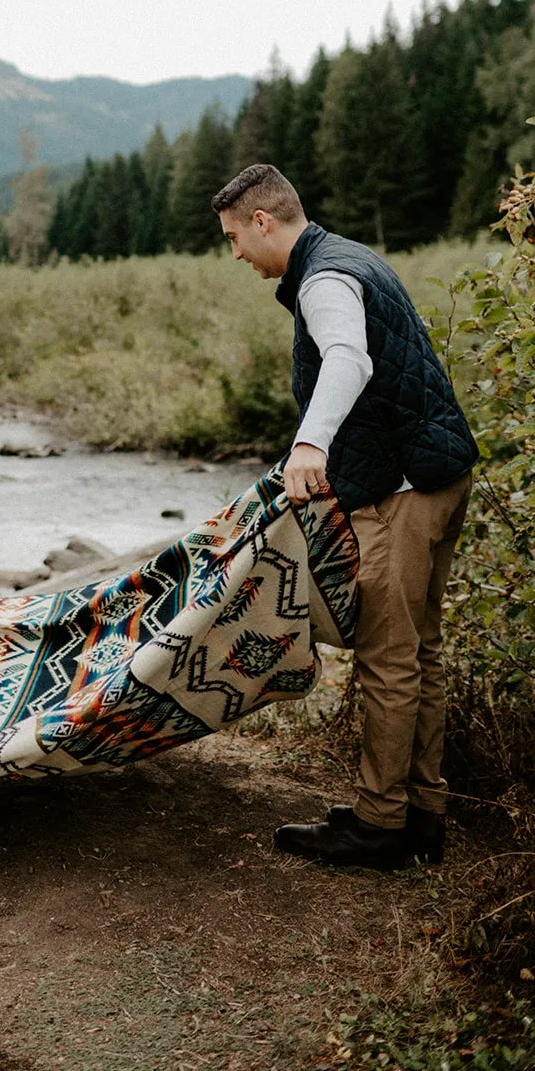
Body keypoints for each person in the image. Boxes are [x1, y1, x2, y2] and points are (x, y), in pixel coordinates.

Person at [211, 164, 477, 870]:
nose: (235, 253)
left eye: (235, 236)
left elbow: (349, 361)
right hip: (439, 474)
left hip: (404, 492)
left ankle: (378, 823)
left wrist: (309, 443)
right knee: (421, 651)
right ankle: (422, 812)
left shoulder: (324, 278)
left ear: (264, 222)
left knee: (388, 658)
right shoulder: (351, 256)